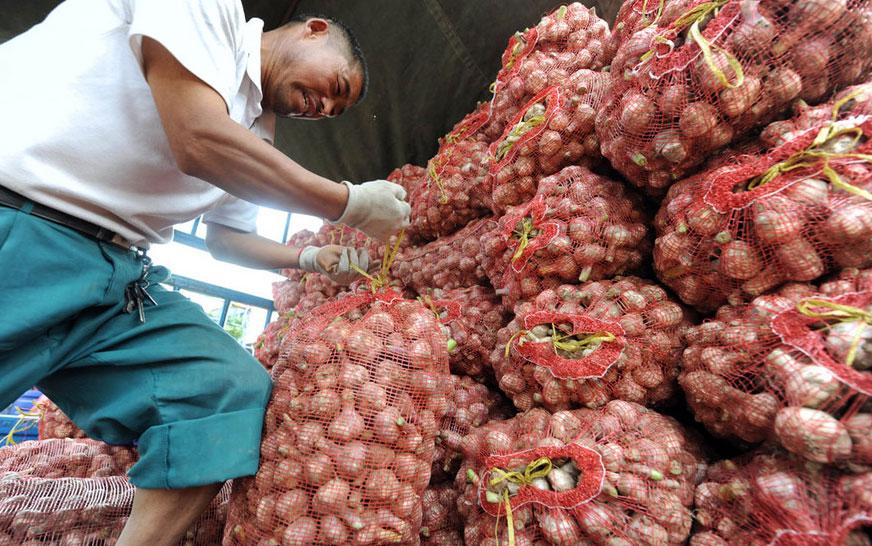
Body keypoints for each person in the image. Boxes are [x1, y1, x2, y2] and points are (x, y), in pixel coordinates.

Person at [0, 0, 410, 544]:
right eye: (334, 85)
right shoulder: (208, 12)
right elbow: (196, 137)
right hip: (21, 224)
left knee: (225, 393)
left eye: (334, 111)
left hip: (114, 280)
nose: (324, 106)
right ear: (313, 30)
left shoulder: (254, 134)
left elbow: (226, 240)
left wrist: (307, 258)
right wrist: (346, 202)